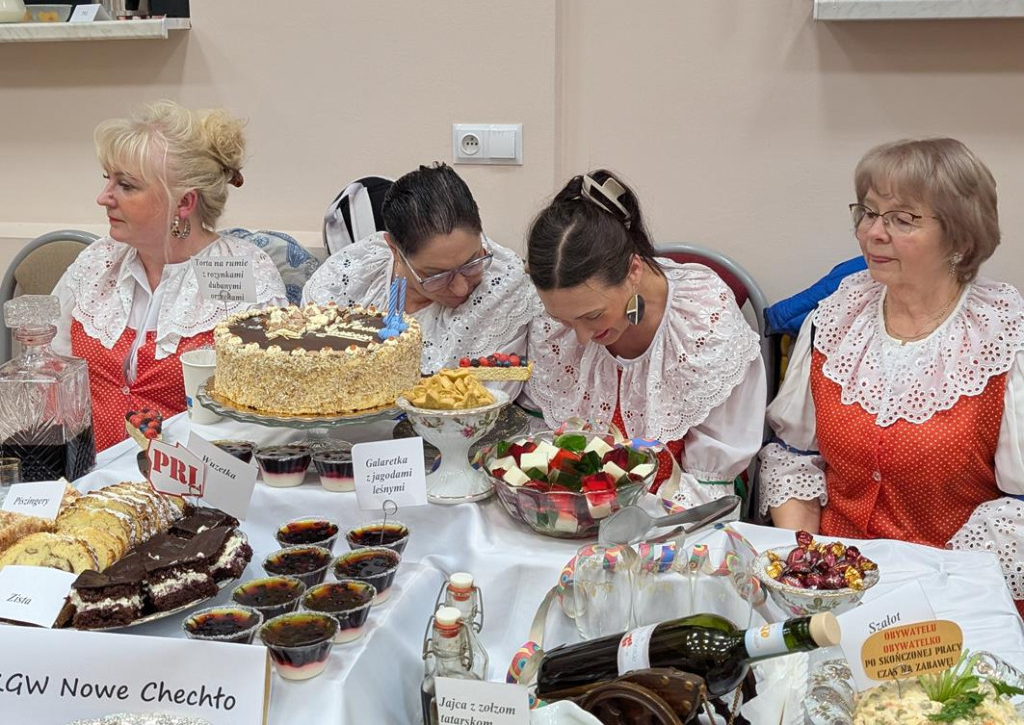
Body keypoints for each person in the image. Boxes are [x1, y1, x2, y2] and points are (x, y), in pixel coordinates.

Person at [760, 138, 1024, 615]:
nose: (872, 233)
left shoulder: (1003, 337)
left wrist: (925, 595)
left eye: (902, 219)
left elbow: (1018, 510)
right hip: (832, 591)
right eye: (868, 212)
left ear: (961, 238)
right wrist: (806, 574)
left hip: (951, 601)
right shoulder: (836, 319)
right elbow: (795, 458)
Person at [53, 101, 287, 450]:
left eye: (127, 186)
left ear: (184, 203)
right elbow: (51, 376)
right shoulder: (97, 264)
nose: (103, 198)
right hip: (89, 482)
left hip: (191, 489)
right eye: (108, 180)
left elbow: (268, 414)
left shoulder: (240, 273)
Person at [524, 170, 767, 503]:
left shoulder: (703, 318)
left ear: (634, 271)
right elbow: (544, 445)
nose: (580, 338)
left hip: (682, 512)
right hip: (578, 510)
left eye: (593, 316)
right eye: (562, 320)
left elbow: (711, 480)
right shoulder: (555, 330)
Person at [303, 162, 542, 398]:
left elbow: (488, 400)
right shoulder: (346, 280)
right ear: (394, 250)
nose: (460, 287)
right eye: (436, 276)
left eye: (472, 263)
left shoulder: (503, 286)